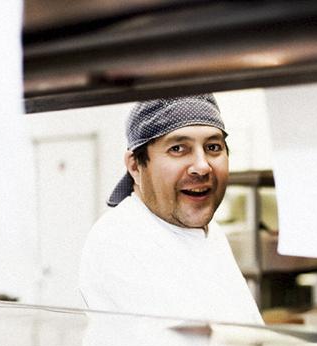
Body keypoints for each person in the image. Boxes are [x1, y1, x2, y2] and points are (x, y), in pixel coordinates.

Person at [79, 94, 263, 325]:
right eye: (178, 148)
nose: (202, 167)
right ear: (135, 166)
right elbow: (175, 344)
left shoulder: (209, 232)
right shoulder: (119, 239)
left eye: (213, 147)